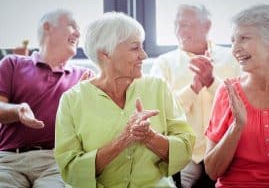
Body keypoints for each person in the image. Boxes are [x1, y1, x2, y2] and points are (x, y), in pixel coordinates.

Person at [54, 12, 195, 188]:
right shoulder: (72, 100)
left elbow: (186, 147)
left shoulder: (158, 87)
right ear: (105, 53)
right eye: (135, 48)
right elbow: (70, 170)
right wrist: (122, 140)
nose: (143, 55)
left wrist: (150, 137)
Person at [204, 4, 269, 187]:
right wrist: (236, 127)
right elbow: (212, 171)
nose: (234, 49)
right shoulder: (227, 93)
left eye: (244, 38)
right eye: (233, 40)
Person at [150, 4, 240, 188]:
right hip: (183, 157)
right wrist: (192, 89)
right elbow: (159, 112)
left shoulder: (233, 58)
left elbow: (243, 105)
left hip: (228, 153)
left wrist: (212, 83)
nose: (178, 31)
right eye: (176, 25)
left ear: (206, 26)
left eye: (185, 25)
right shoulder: (164, 64)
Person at [0, 9, 93, 188]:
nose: (79, 33)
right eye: (72, 25)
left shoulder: (85, 76)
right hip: (8, 160)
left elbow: (90, 130)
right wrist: (18, 110)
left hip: (55, 161)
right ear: (47, 27)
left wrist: (83, 99)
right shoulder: (12, 64)